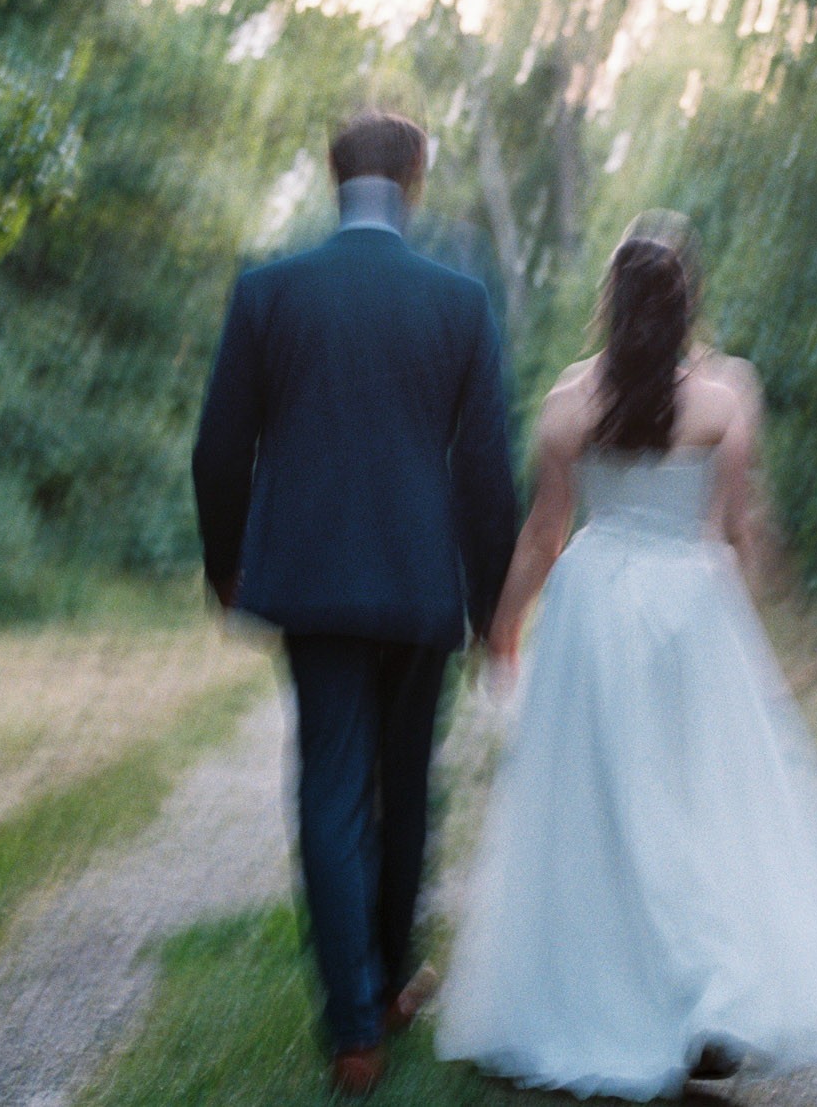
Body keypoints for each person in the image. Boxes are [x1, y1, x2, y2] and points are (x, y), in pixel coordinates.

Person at [435, 229, 817, 1099]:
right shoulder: (726, 395)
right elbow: (735, 524)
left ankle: (609, 994)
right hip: (690, 611)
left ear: (612, 305)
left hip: (595, 613)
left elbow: (544, 532)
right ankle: (707, 1003)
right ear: (686, 306)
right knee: (699, 803)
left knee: (600, 810)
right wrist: (758, 626)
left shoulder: (568, 402)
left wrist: (502, 625)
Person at [191, 110, 517, 1098]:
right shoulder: (460, 302)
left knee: (331, 790)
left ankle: (352, 1030)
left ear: (336, 178)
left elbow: (218, 448)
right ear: (413, 178)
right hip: (423, 586)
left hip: (315, 584)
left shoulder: (269, 290)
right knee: (406, 784)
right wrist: (494, 596)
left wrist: (225, 563)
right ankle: (383, 991)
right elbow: (485, 471)